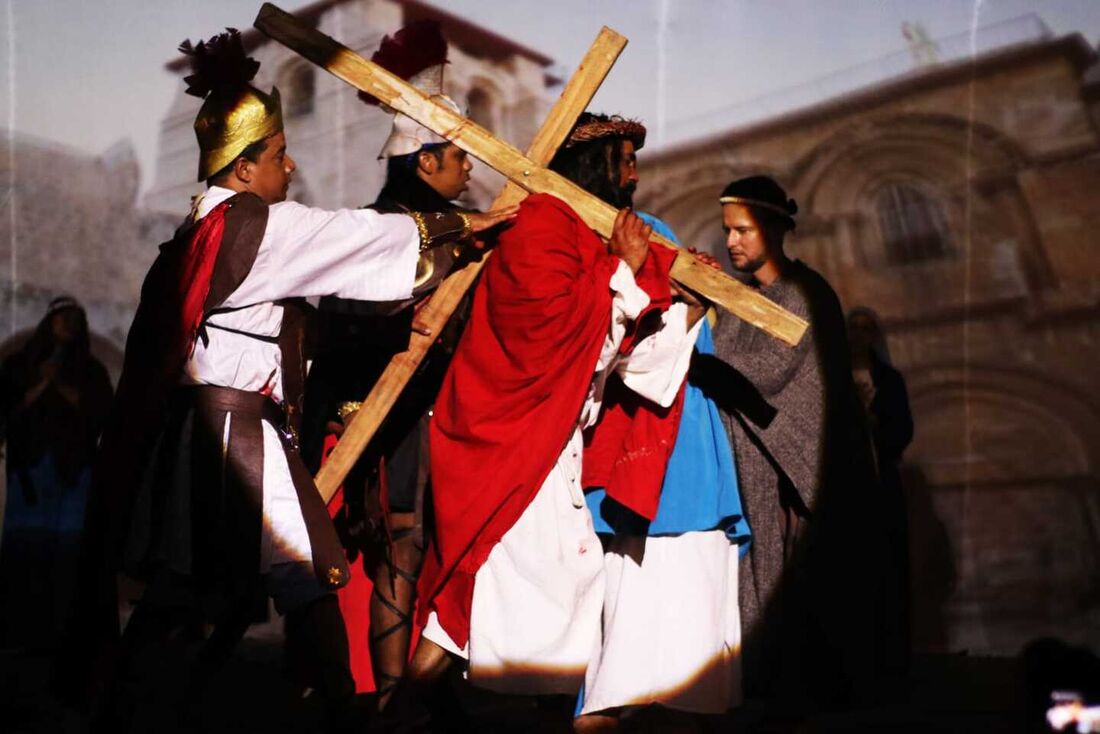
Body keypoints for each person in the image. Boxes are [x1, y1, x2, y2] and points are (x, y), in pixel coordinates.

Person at [65, 30, 514, 730]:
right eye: (276, 155)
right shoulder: (253, 224)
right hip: (233, 433)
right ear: (243, 169)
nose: (289, 163)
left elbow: (287, 299)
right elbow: (348, 237)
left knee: (198, 586)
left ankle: (125, 707)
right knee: (305, 573)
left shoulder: (201, 228)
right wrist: (463, 228)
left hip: (205, 428)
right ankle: (340, 714)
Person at [394, 113, 704, 727]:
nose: (635, 176)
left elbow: (613, 353)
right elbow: (545, 332)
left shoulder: (581, 234)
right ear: (594, 166)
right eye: (625, 160)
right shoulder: (541, 227)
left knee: (550, 598)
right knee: (469, 597)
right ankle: (402, 715)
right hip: (507, 446)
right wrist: (623, 271)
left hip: (547, 443)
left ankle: (485, 712)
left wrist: (667, 296)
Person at [299, 20, 478, 708]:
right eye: (457, 156)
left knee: (427, 549)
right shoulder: (377, 233)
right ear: (424, 162)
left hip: (441, 421)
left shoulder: (464, 229)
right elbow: (357, 324)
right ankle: (390, 699)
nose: (468, 168)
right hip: (383, 420)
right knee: (401, 546)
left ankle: (420, 695)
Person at [566, 124, 749, 730]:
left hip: (681, 429)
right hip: (618, 431)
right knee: (625, 596)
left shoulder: (658, 235)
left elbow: (677, 339)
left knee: (690, 586)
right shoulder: (573, 243)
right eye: (623, 162)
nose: (635, 175)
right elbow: (609, 349)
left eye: (636, 161)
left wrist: (689, 307)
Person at [691, 175, 880, 711]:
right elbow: (722, 351)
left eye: (744, 230)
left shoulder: (803, 292)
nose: (732, 242)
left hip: (799, 468)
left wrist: (696, 360)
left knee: (801, 591)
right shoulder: (744, 300)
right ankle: (765, 689)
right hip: (755, 461)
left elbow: (768, 370)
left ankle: (796, 696)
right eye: (728, 231)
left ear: (775, 230)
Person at [0, 297, 113, 648]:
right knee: (26, 549)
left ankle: (65, 631)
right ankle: (21, 630)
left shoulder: (91, 371)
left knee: (68, 553)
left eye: (74, 320)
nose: (68, 326)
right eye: (62, 318)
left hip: (74, 471)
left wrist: (61, 387)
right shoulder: (20, 366)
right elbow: (8, 411)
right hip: (31, 472)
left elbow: (100, 414)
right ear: (49, 321)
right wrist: (39, 387)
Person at [848, 306, 913, 678]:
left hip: (882, 482)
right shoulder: (834, 377)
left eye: (866, 328)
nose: (859, 335)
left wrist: (875, 424)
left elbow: (901, 429)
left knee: (889, 563)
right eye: (853, 328)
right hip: (850, 484)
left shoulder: (889, 380)